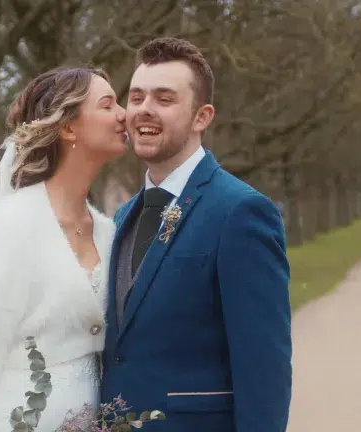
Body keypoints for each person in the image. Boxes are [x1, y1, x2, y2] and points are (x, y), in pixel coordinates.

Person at [100, 37, 292, 431]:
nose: (144, 110)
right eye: (136, 98)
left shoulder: (241, 212)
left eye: (164, 99)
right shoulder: (121, 218)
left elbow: (264, 365)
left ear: (202, 117)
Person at [0, 66, 128, 431]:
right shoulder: (12, 229)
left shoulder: (108, 232)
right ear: (68, 127)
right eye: (108, 105)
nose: (124, 114)